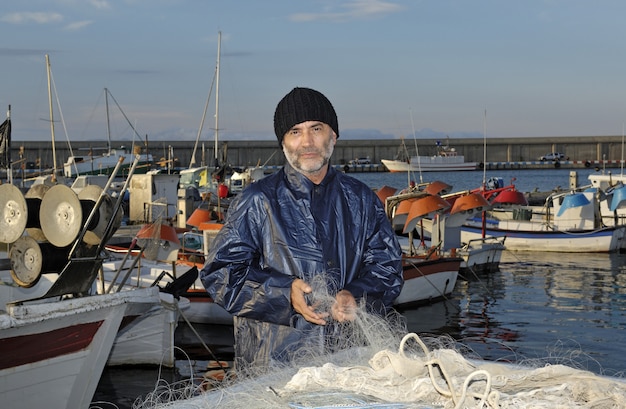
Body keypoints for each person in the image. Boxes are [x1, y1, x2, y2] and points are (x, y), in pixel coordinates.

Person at [200, 87, 403, 371]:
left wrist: (354, 294)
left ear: (333, 136)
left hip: (350, 366)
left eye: (316, 128)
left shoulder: (361, 199)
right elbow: (220, 275)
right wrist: (284, 294)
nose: (307, 142)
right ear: (283, 142)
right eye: (295, 132)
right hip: (273, 369)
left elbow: (388, 268)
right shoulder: (257, 201)